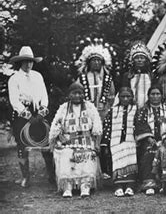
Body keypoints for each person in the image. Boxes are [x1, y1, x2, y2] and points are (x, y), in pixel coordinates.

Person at [8, 46, 54, 187]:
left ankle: (51, 175)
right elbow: (14, 101)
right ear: (21, 62)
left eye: (31, 61)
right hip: (23, 115)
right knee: (22, 146)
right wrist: (28, 116)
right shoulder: (14, 79)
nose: (29, 64)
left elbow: (44, 97)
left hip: (38, 113)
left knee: (46, 144)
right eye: (26, 61)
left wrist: (41, 113)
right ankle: (25, 176)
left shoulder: (37, 76)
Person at [48, 82, 102, 198]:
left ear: (84, 94)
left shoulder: (89, 107)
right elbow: (56, 124)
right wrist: (57, 137)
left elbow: (97, 124)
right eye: (74, 93)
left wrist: (96, 142)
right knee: (66, 156)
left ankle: (85, 185)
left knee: (87, 157)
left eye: (80, 93)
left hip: (86, 139)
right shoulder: (64, 108)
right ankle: (67, 187)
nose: (77, 96)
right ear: (69, 95)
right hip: (68, 140)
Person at [134, 85, 166, 195]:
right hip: (149, 142)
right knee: (149, 154)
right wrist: (149, 138)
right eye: (152, 94)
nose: (155, 96)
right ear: (148, 96)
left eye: (158, 94)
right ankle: (150, 184)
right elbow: (140, 124)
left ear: (162, 96)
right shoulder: (143, 110)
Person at [101, 87, 138, 197]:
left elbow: (139, 125)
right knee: (117, 162)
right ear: (119, 98)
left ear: (132, 97)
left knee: (130, 162)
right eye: (123, 96)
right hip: (116, 141)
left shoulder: (136, 109)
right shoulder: (113, 110)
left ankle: (130, 186)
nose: (125, 99)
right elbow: (107, 127)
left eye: (128, 96)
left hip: (131, 141)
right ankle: (118, 186)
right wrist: (105, 142)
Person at [74, 37, 116, 120]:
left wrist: (106, 106)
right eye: (93, 60)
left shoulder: (107, 78)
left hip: (104, 111)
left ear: (102, 63)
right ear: (89, 63)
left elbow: (112, 96)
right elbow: (76, 93)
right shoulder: (82, 78)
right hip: (85, 111)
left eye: (99, 60)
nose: (96, 63)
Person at [121, 41, 153, 109]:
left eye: (142, 58)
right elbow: (124, 92)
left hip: (148, 107)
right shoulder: (127, 76)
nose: (139, 60)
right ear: (133, 60)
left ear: (146, 60)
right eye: (137, 58)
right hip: (131, 107)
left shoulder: (151, 76)